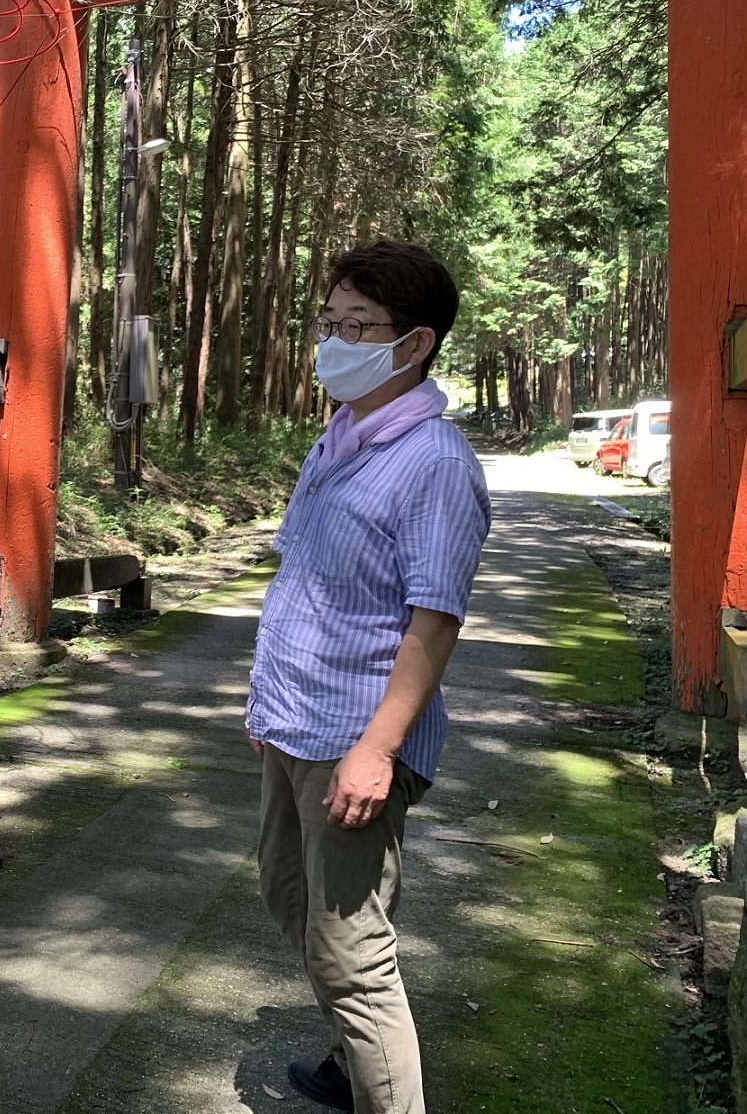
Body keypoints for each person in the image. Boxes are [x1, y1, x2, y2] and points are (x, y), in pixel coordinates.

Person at [247, 240, 491, 1114]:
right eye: (330, 322)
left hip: (355, 736)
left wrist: (376, 752)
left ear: (415, 342)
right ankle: (357, 1063)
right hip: (294, 720)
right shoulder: (344, 436)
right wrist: (266, 703)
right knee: (288, 893)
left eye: (358, 326)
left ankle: (382, 1087)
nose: (334, 341)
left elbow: (435, 620)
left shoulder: (434, 462)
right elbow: (304, 578)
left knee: (352, 950)